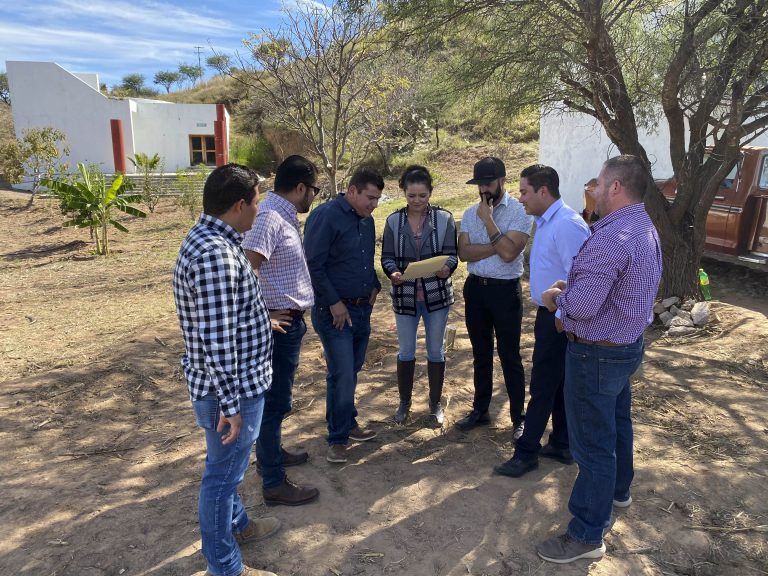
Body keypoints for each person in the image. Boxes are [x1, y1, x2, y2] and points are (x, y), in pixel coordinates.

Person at [536, 155, 662, 564]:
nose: (592, 189)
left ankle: (587, 533)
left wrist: (558, 300)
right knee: (617, 422)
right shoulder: (642, 226)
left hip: (596, 353)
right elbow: (611, 286)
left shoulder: (611, 236)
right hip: (625, 348)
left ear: (616, 187)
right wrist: (575, 288)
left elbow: (585, 306)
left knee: (592, 444)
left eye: (598, 182)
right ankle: (617, 492)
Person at [173, 163, 280, 576]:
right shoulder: (216, 255)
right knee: (221, 479)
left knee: (226, 470)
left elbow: (221, 318)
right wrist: (231, 406)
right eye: (255, 203)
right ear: (238, 205)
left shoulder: (212, 239)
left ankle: (240, 526)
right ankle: (225, 568)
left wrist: (258, 320)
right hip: (230, 391)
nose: (258, 211)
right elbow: (218, 342)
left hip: (226, 386)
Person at [494, 164, 589, 478]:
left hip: (561, 317)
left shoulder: (567, 225)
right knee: (559, 383)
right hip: (550, 314)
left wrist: (562, 318)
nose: (520, 197)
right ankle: (562, 443)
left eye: (524, 191)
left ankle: (526, 452)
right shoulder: (546, 221)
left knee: (544, 385)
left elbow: (582, 280)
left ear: (543, 191)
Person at [242, 155, 320, 507]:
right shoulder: (271, 217)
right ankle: (273, 480)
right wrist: (263, 314)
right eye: (314, 191)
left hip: (288, 321)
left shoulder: (279, 214)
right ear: (301, 187)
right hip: (279, 325)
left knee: (278, 400)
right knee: (274, 403)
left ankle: (271, 455)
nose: (313, 198)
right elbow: (246, 269)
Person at [304, 168, 385, 464]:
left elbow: (364, 261)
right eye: (369, 198)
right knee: (342, 374)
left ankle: (347, 423)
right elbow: (313, 264)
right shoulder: (326, 216)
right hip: (334, 313)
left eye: (377, 199)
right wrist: (334, 302)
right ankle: (337, 438)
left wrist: (375, 285)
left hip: (362, 309)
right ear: (352, 191)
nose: (373, 204)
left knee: (350, 371)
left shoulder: (368, 221)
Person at [456, 157, 533, 439]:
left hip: (505, 291)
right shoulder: (467, 212)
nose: (483, 190)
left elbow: (512, 253)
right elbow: (464, 253)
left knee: (510, 355)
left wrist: (488, 222)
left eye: (488, 183)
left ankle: (518, 418)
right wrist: (498, 245)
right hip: (476, 288)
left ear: (503, 180)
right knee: (481, 353)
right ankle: (480, 410)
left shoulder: (519, 211)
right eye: (479, 184)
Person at [380, 165, 458, 427]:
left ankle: (435, 405)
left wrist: (448, 267)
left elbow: (451, 254)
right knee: (406, 351)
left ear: (430, 193)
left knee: (435, 350)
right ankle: (404, 403)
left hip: (436, 297)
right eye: (411, 195)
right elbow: (387, 257)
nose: (417, 201)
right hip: (405, 295)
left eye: (422, 196)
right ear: (403, 192)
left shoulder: (445, 219)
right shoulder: (393, 221)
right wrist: (392, 273)